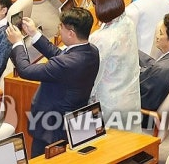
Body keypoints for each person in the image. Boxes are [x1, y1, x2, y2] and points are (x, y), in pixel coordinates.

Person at [7, 8, 100, 157]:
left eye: (60, 27)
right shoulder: (92, 51)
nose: (59, 30)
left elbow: (25, 70)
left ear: (71, 33)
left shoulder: (66, 64)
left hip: (52, 128)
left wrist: (18, 43)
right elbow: (59, 54)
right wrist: (34, 34)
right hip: (75, 119)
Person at [88, 0, 141, 129]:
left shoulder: (100, 39)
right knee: (130, 142)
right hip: (130, 95)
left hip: (109, 102)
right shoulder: (127, 23)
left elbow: (93, 76)